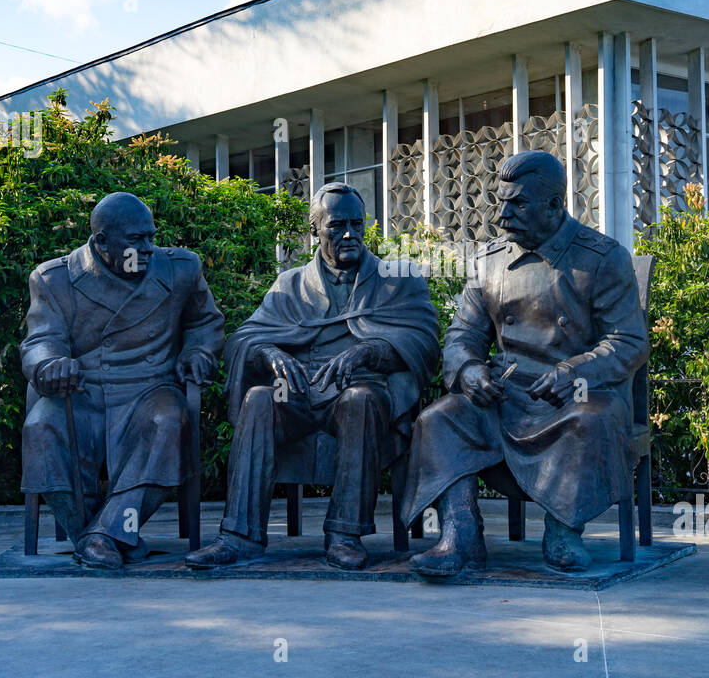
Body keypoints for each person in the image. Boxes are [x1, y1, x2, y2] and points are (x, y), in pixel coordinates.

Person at [401, 151, 648, 575]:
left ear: (555, 205)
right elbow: (463, 333)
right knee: (439, 418)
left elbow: (628, 341)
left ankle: (564, 529)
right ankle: (460, 534)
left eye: (517, 204)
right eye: (500, 202)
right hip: (506, 393)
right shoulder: (488, 261)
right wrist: (468, 371)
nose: (503, 215)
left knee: (588, 422)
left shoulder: (602, 258)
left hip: (578, 395)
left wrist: (575, 373)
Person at [185, 182, 440, 571]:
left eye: (357, 224)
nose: (350, 234)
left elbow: (424, 341)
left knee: (361, 400)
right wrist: (270, 353)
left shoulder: (397, 278)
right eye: (337, 226)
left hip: (360, 387)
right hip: (299, 391)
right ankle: (239, 537)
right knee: (259, 399)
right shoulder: (291, 284)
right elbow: (247, 338)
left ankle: (344, 534)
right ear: (314, 231)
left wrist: (368, 351)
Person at [20, 192, 224, 570]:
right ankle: (102, 533)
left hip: (150, 387)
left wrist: (198, 353)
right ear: (101, 241)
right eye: (135, 240)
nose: (148, 248)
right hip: (82, 389)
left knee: (168, 422)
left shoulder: (180, 269)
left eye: (151, 237)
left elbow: (204, 323)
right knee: (42, 427)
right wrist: (50, 365)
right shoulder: (55, 279)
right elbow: (42, 339)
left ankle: (103, 536)